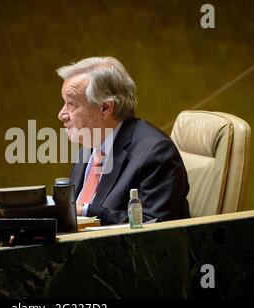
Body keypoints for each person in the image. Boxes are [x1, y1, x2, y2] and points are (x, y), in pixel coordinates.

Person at [57, 56, 190, 224]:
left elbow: (154, 226)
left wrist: (86, 211)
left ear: (105, 108)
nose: (61, 114)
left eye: (71, 104)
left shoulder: (155, 153)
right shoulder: (90, 144)